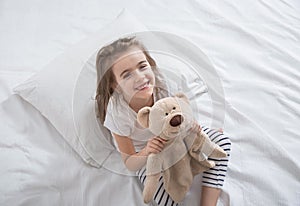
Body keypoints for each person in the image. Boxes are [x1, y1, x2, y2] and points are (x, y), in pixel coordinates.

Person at [95, 36, 231, 206]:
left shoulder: (164, 84)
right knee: (162, 197)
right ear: (115, 86)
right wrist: (147, 150)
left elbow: (180, 112)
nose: (140, 77)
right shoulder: (118, 114)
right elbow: (130, 163)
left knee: (222, 142)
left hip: (176, 137)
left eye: (142, 66)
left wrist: (193, 127)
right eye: (126, 75)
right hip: (148, 156)